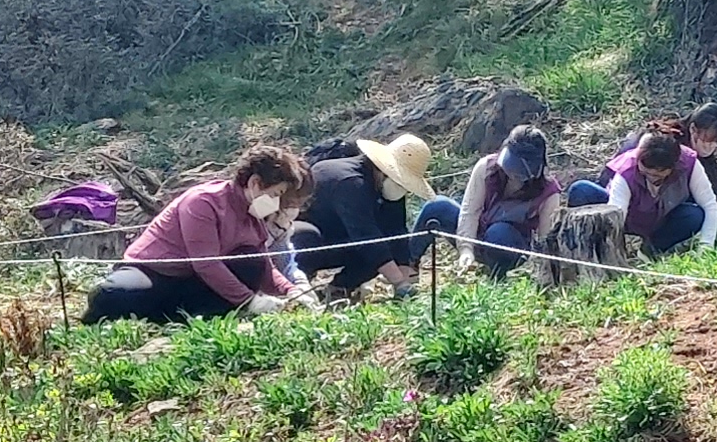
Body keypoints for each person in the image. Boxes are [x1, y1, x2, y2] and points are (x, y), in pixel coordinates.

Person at [85, 146, 310, 324]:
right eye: (275, 193)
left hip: (193, 280)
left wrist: (292, 290)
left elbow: (263, 265)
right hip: (155, 271)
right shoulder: (204, 201)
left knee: (250, 264)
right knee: (113, 294)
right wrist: (250, 301)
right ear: (255, 183)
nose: (276, 202)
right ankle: (172, 312)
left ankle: (180, 314)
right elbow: (206, 263)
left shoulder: (253, 214)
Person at [293, 133, 442, 301]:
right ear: (384, 170)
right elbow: (366, 236)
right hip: (311, 240)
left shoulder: (385, 187)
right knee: (306, 237)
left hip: (344, 239)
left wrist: (404, 266)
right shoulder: (349, 182)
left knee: (384, 251)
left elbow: (397, 230)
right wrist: (399, 282)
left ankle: (339, 288)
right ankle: (294, 289)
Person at [599, 119, 717, 258]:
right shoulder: (626, 169)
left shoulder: (689, 163)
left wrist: (706, 246)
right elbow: (617, 213)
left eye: (657, 174)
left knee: (694, 215)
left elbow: (709, 204)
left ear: (673, 167)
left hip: (662, 220)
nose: (651, 177)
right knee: (582, 191)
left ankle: (650, 250)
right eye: (646, 172)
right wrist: (615, 251)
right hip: (630, 217)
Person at [461, 124, 560, 279]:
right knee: (437, 207)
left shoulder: (549, 193)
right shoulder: (485, 168)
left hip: (510, 246)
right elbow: (470, 212)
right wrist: (466, 249)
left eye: (517, 171)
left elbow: (545, 241)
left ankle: (497, 278)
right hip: (478, 238)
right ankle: (409, 274)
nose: (510, 173)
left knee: (498, 232)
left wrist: (539, 269)